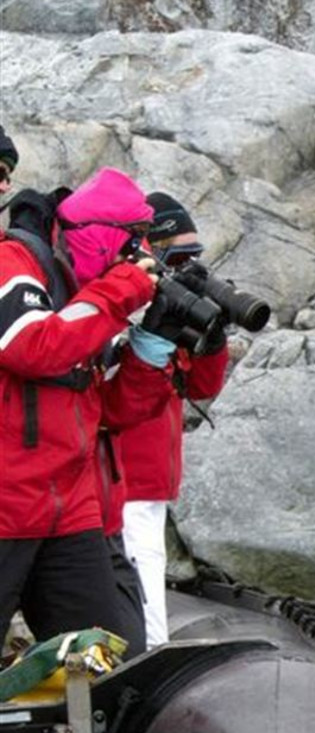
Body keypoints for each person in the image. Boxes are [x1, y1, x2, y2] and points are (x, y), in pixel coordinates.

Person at [0, 167, 173, 656]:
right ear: (101, 238)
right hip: (7, 506)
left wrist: (151, 352)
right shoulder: (13, 262)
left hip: (67, 508)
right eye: (131, 243)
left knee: (112, 661)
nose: (136, 260)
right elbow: (33, 346)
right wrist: (122, 292)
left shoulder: (84, 294)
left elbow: (110, 412)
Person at [112, 192, 233, 648]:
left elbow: (200, 387)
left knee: (146, 574)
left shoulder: (171, 302)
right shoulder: (127, 298)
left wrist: (213, 336)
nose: (186, 266)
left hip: (152, 480)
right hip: (123, 478)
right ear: (149, 248)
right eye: (177, 256)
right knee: (140, 605)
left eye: (194, 256)